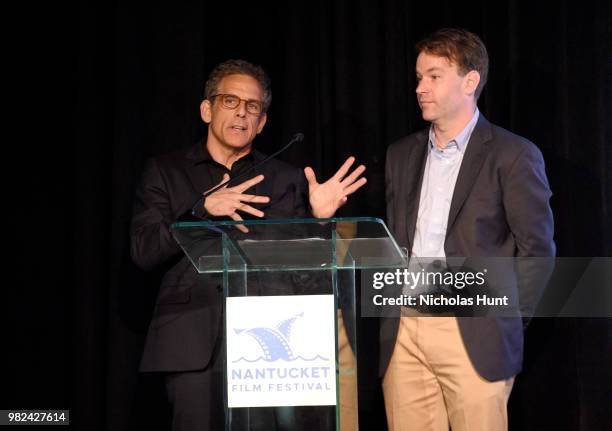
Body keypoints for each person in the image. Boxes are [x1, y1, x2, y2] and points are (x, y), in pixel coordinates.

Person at [130, 59, 366, 431]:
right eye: (229, 101)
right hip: (193, 340)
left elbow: (309, 273)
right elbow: (144, 251)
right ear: (207, 109)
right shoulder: (166, 171)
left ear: (263, 122)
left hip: (270, 353)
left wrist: (321, 221)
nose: (241, 113)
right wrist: (200, 210)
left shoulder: (287, 179)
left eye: (252, 106)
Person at [380, 28, 555, 431]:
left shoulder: (513, 154)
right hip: (405, 331)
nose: (421, 87)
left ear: (470, 81)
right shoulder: (401, 154)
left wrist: (505, 317)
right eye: (419, 77)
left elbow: (537, 251)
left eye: (434, 76)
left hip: (475, 332)